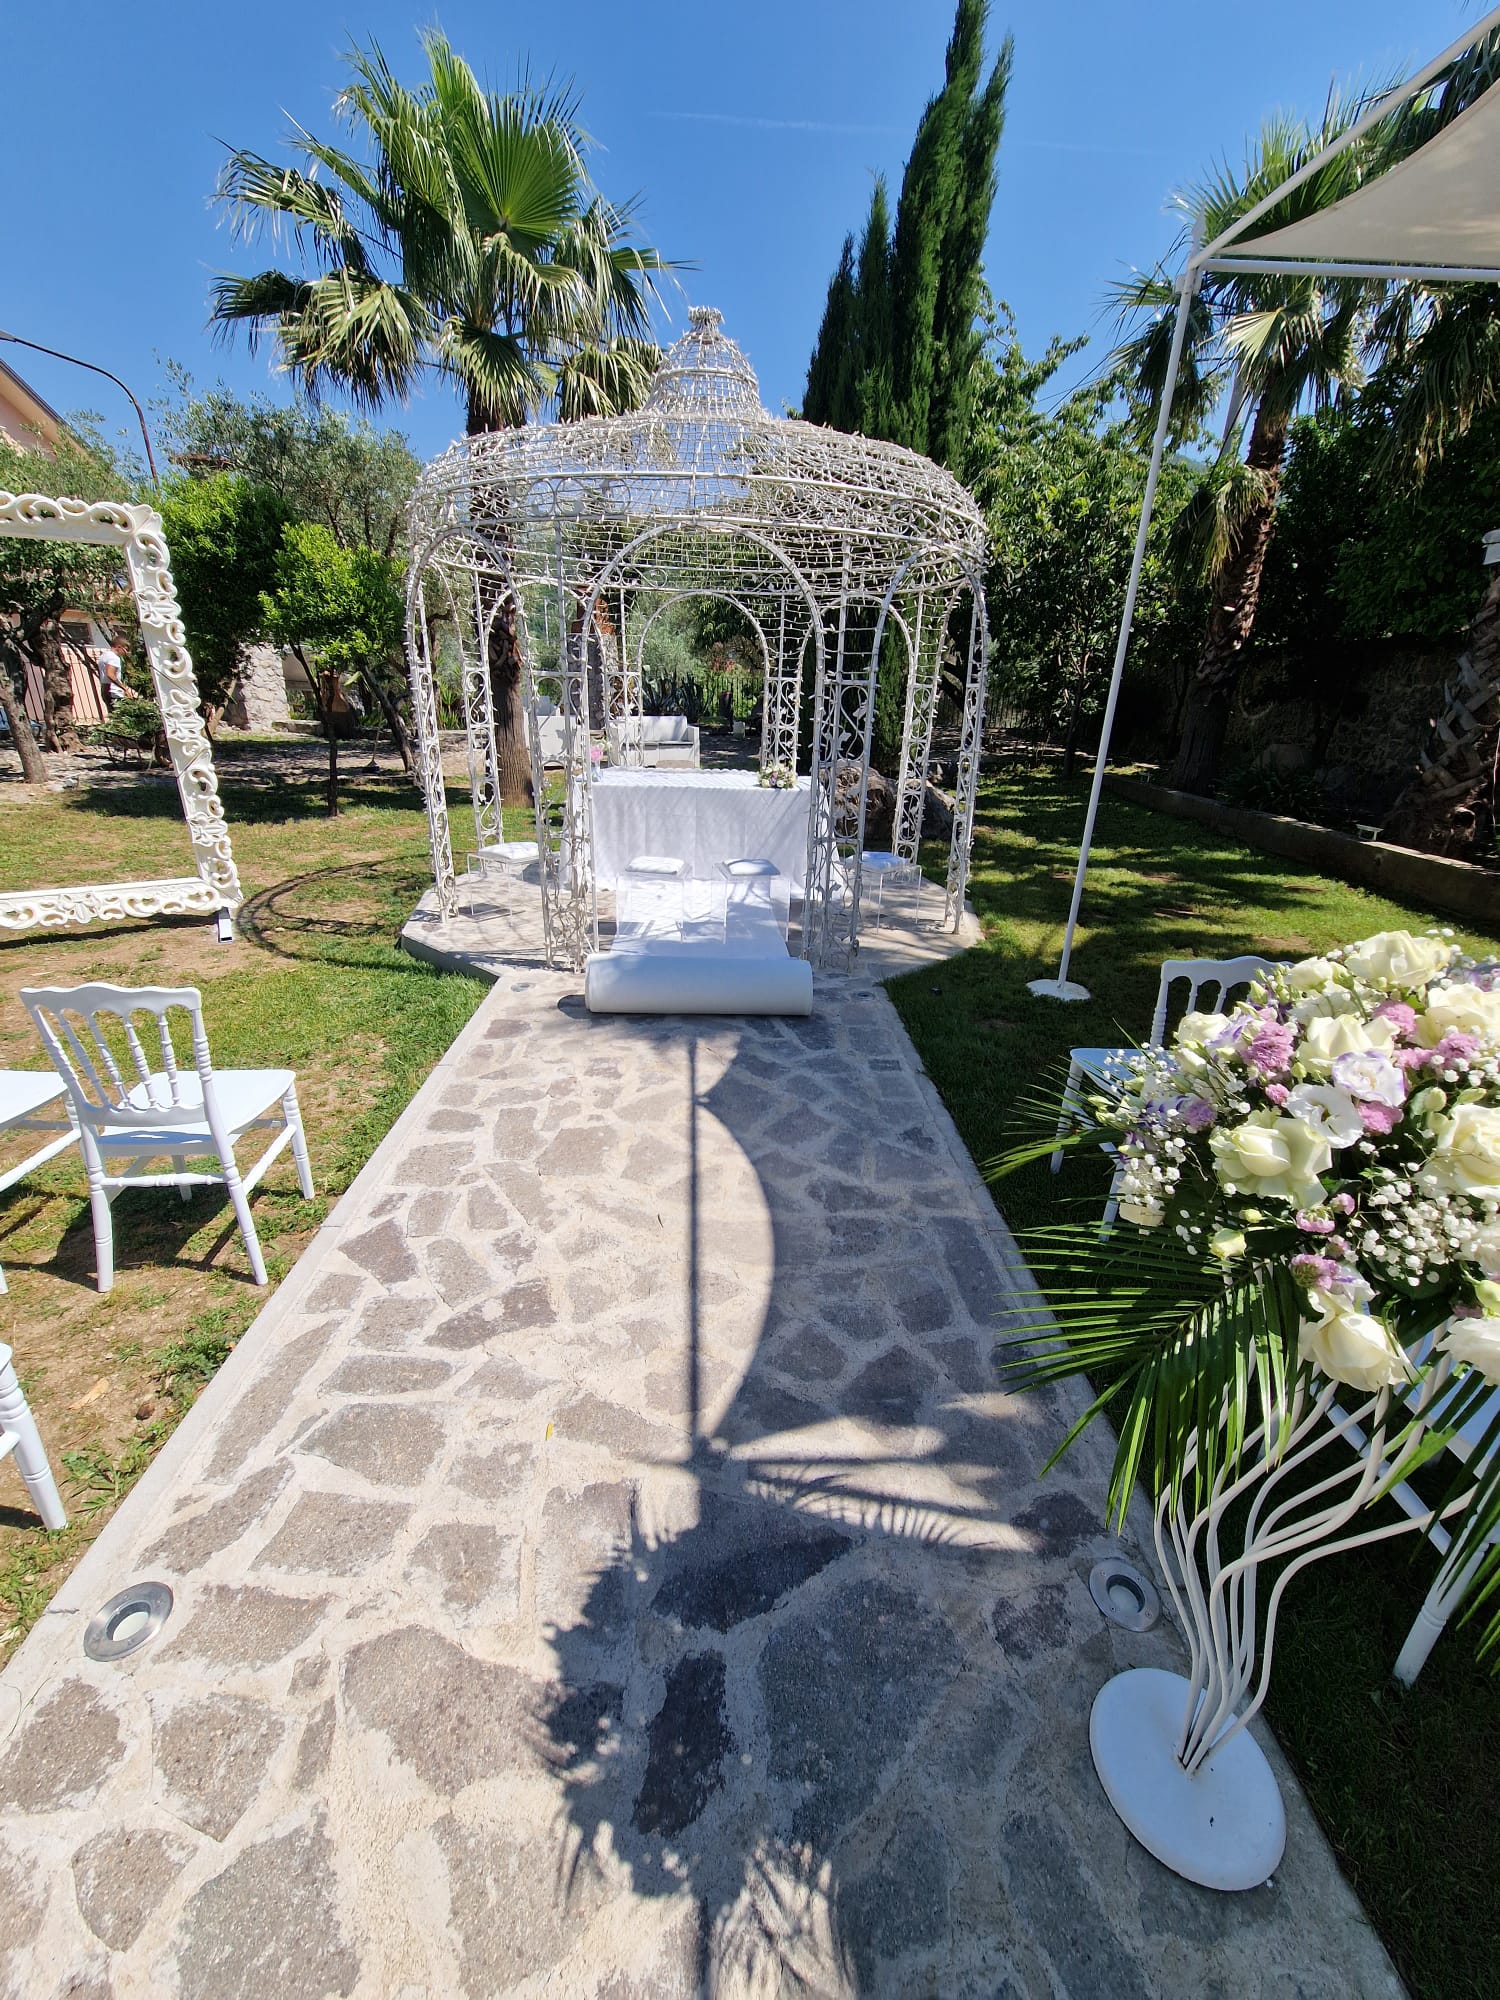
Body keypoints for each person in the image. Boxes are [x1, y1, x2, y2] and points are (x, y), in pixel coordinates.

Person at [94, 635, 127, 707]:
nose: (126, 652)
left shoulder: (104, 655)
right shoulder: (114, 657)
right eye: (125, 649)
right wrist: (124, 688)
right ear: (119, 647)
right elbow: (110, 674)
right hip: (114, 692)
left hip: (105, 690)